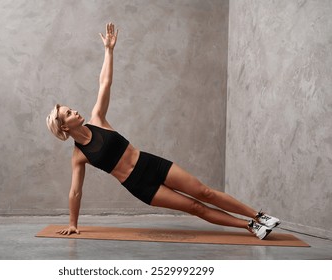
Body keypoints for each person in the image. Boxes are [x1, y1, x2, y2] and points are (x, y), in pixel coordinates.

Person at [46, 23, 280, 240]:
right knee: (195, 207)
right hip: (139, 185)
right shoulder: (79, 156)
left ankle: (259, 215)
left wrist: (109, 50)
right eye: (68, 113)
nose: (74, 111)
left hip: (150, 163)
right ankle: (250, 226)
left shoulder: (97, 119)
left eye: (70, 109)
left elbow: (104, 83)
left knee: (205, 192)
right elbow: (75, 192)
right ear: (65, 127)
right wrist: (73, 223)